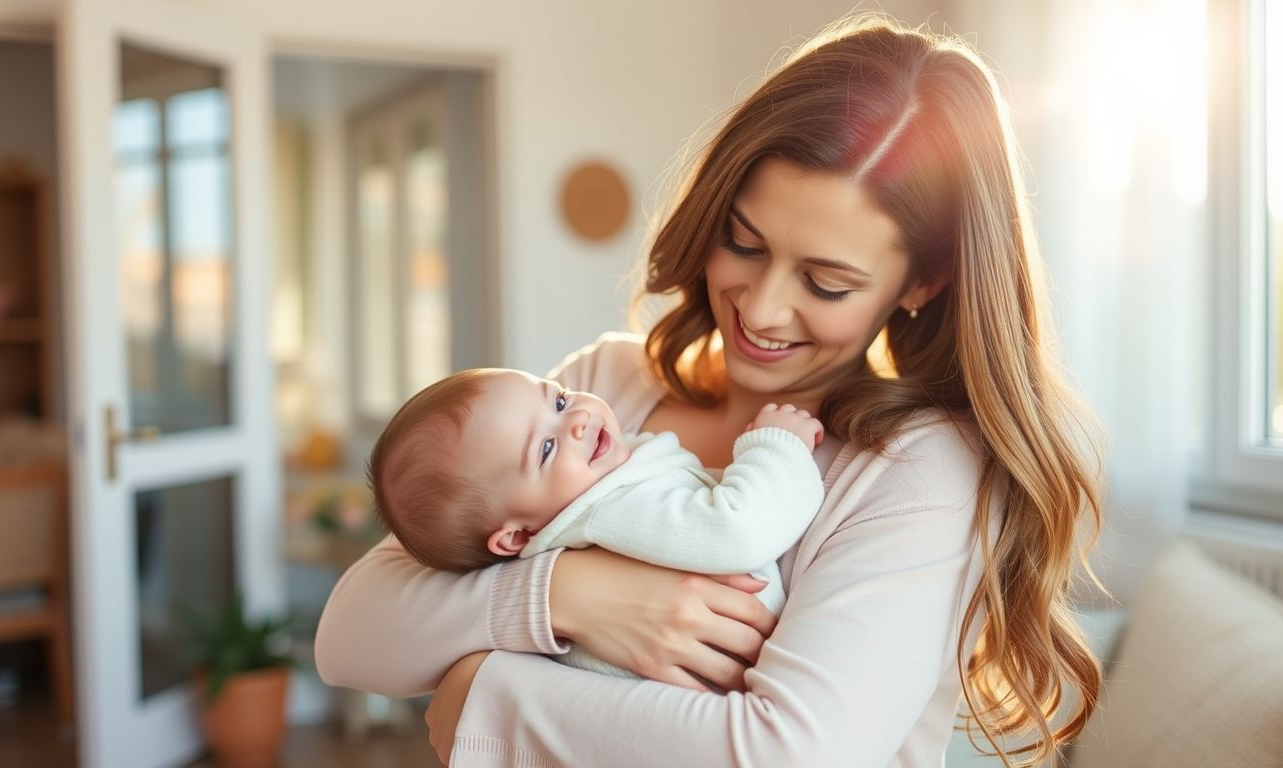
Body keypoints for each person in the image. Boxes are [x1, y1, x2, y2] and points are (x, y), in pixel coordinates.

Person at [316, 14, 1104, 767]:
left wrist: (487, 694)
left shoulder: (916, 469)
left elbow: (786, 753)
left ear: (922, 283)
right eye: (744, 242)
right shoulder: (605, 391)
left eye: (826, 282)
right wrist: (570, 593)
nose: (759, 310)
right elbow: (350, 635)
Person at [367, 367, 825, 677]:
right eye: (545, 449)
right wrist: (776, 446)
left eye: (560, 401)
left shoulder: (604, 484)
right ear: (517, 535)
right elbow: (739, 530)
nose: (579, 422)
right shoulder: (610, 507)